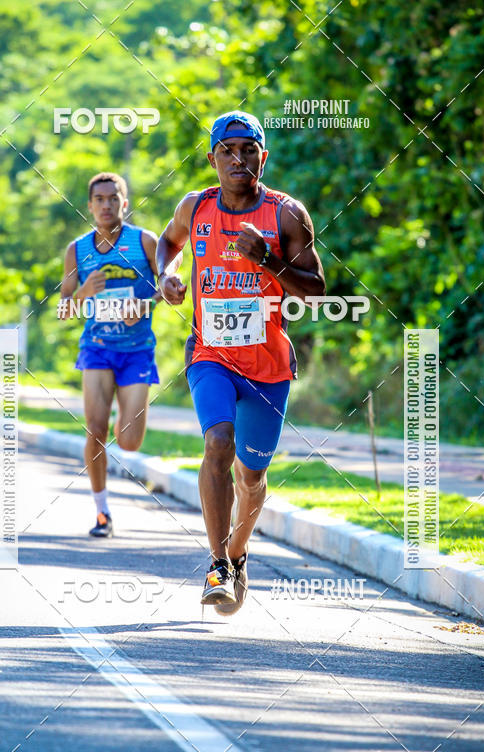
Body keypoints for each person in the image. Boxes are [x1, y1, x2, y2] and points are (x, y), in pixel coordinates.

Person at [156, 111, 326, 615]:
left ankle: (237, 551)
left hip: (268, 367)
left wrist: (268, 260)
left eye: (248, 149)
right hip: (209, 355)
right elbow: (168, 243)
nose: (238, 158)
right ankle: (216, 564)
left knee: (252, 477)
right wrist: (167, 275)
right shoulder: (195, 207)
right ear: (211, 159)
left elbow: (317, 290)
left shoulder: (286, 214)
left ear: (262, 157)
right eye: (227, 150)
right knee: (217, 442)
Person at [59, 172, 161, 537]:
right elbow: (64, 309)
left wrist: (145, 303)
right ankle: (102, 513)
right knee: (95, 430)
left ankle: (124, 415)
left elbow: (167, 283)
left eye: (112, 198)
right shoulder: (78, 250)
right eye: (99, 199)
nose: (106, 205)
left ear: (125, 203)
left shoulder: (143, 242)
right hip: (97, 350)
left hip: (136, 352)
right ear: (89, 206)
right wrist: (83, 291)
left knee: (130, 441)